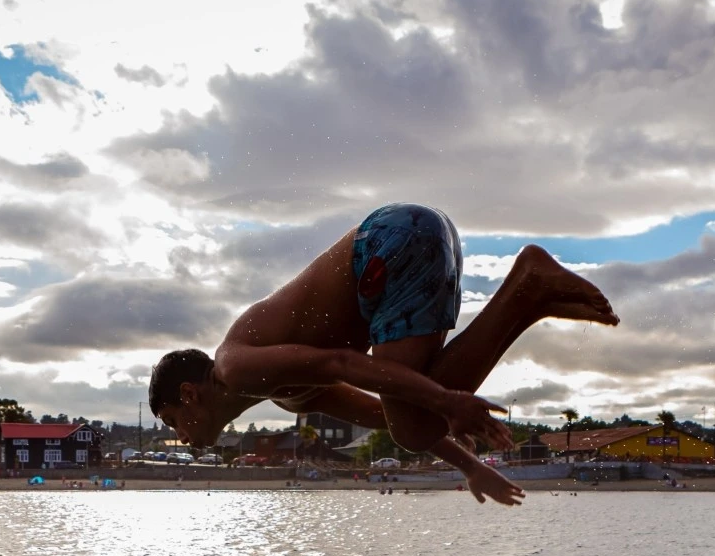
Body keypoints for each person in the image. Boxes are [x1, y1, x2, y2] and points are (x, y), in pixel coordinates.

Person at [149, 202, 618, 506]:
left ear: (190, 394)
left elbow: (343, 364)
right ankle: (529, 297)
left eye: (172, 421)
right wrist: (471, 466)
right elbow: (382, 414)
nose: (180, 437)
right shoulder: (288, 396)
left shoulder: (235, 365)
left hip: (385, 248)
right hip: (417, 235)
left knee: (419, 419)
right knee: (410, 422)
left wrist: (446, 402)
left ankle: (527, 289)